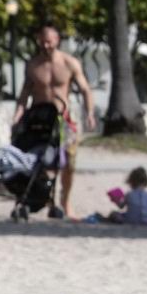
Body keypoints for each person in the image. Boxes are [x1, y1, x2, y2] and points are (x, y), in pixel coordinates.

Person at [16, 24, 96, 219]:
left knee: (68, 162)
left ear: (57, 40)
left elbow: (86, 90)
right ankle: (42, 200)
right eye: (42, 41)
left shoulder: (70, 63)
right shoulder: (33, 65)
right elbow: (24, 94)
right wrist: (17, 116)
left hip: (62, 120)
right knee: (39, 162)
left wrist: (90, 113)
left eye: (49, 41)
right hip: (38, 119)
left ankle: (65, 200)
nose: (45, 45)